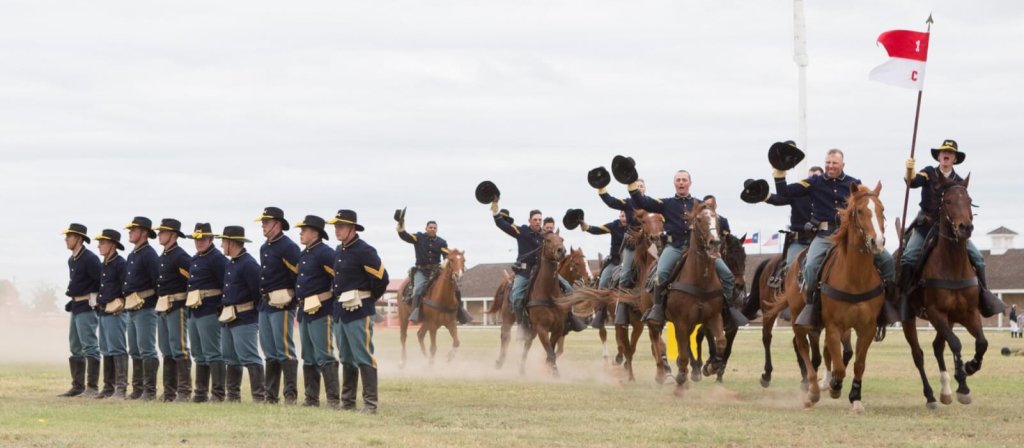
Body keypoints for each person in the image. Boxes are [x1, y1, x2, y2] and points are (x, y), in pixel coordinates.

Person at [774, 148, 896, 329]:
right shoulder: (814, 182)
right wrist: (779, 174)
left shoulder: (854, 183)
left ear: (842, 165)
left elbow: (868, 203)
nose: (830, 166)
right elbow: (785, 193)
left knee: (886, 260)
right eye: (828, 163)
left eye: (834, 163)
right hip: (825, 236)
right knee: (810, 265)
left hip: (851, 236)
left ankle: (887, 305)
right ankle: (812, 306)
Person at [900, 139, 1005, 317]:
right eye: (943, 152)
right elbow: (912, 182)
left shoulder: (959, 182)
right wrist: (909, 170)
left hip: (951, 232)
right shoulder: (928, 173)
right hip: (926, 226)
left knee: (978, 259)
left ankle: (985, 296)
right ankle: (904, 298)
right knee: (909, 257)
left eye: (950, 152)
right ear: (939, 156)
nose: (946, 154)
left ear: (954, 158)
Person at [620, 168, 735, 324]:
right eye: (678, 180)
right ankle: (658, 308)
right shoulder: (666, 203)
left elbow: (717, 220)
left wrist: (716, 242)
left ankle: (727, 310)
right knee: (660, 274)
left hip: (701, 250)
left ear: (690, 183)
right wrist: (632, 186)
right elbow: (642, 202)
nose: (681, 182)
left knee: (727, 275)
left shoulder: (700, 204)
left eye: (684, 180)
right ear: (674, 183)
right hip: (674, 247)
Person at [329, 210, 389, 414]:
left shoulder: (365, 250)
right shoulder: (339, 250)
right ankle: (348, 402)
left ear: (352, 228)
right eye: (335, 226)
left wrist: (368, 298)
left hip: (359, 311)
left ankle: (370, 404)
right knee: (345, 356)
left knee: (363, 355)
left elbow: (382, 279)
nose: (337, 230)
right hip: (340, 311)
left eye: (341, 226)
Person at [488, 204, 579, 328]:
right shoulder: (522, 231)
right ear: (529, 220)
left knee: (568, 288)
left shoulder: (545, 236)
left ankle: (569, 319)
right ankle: (522, 322)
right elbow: (502, 225)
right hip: (524, 272)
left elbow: (556, 246)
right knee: (517, 297)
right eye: (535, 220)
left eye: (540, 220)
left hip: (541, 272)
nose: (538, 222)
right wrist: (495, 210)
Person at [254, 207, 301, 405]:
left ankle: (290, 395)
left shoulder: (287, 247)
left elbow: (298, 275)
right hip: (266, 305)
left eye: (266, 222)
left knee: (284, 350)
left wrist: (293, 299)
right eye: (263, 222)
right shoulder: (265, 247)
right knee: (269, 351)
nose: (263, 225)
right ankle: (270, 395)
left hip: (283, 304)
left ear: (277, 224)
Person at [294, 215, 340, 408]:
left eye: (304, 230)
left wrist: (327, 296)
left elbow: (338, 277)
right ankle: (311, 399)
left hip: (321, 311)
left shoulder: (324, 253)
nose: (301, 233)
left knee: (324, 354)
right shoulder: (305, 254)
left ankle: (332, 399)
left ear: (315, 233)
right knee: (309, 355)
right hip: (305, 310)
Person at [217, 225, 266, 403]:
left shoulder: (248, 264)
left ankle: (259, 396)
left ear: (231, 242)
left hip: (244, 318)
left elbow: (258, 293)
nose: (222, 245)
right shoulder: (232, 263)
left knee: (249, 356)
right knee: (230, 357)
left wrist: (254, 316)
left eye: (224, 241)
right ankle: (233, 396)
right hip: (228, 317)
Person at [397, 216, 471, 324]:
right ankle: (415, 313)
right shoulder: (418, 237)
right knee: (418, 289)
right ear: (426, 228)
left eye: (434, 228)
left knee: (456, 289)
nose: (432, 229)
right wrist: (400, 225)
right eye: (430, 227)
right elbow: (405, 236)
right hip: (421, 271)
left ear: (437, 229)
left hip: (436, 271)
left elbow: (446, 255)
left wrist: (449, 262)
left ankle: (460, 312)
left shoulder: (441, 242)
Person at [185, 223, 228, 403]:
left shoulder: (217, 259)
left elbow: (225, 283)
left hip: (209, 310)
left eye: (202, 239)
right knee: (198, 352)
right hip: (194, 311)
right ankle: (200, 393)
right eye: (197, 239)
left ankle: (217, 393)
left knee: (212, 352)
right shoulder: (196, 258)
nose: (199, 242)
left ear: (210, 239)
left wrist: (220, 307)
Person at [153, 218, 192, 402]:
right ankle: (169, 391)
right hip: (163, 307)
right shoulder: (164, 256)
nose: (159, 235)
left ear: (173, 235)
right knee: (166, 349)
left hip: (177, 306)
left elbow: (192, 280)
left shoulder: (180, 256)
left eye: (163, 232)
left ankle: (184, 391)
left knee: (179, 348)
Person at [60, 223, 102, 397]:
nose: (66, 239)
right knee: (75, 347)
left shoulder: (90, 258)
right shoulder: (72, 260)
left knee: (90, 346)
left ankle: (92, 387)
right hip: (76, 306)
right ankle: (78, 386)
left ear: (78, 238)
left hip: (87, 306)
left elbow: (101, 282)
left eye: (69, 236)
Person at [123, 217, 160, 401]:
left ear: (144, 233)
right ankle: (138, 389)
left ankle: (149, 391)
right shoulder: (133, 255)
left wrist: (152, 301)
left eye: (133, 230)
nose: (130, 232)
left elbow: (157, 282)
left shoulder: (149, 254)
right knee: (135, 350)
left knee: (147, 349)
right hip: (132, 307)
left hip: (146, 307)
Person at [574, 210, 628, 328]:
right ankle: (601, 312)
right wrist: (586, 227)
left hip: (630, 263)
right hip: (614, 262)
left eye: (625, 215)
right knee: (602, 283)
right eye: (621, 215)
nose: (623, 218)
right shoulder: (614, 225)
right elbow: (598, 230)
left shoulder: (635, 226)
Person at [93, 229, 129, 400]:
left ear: (112, 245)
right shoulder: (105, 264)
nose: (99, 245)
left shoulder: (120, 264)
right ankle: (108, 387)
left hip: (115, 311)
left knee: (117, 348)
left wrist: (120, 304)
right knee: (106, 349)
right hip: (104, 310)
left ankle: (121, 388)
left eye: (103, 242)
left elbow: (126, 287)